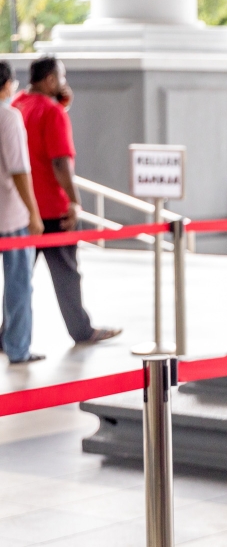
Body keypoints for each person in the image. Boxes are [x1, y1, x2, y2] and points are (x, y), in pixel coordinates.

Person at [13, 55, 120, 345]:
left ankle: (7, 335)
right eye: (61, 77)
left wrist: (61, 106)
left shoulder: (15, 107)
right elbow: (60, 163)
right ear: (50, 80)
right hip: (51, 209)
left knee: (18, 279)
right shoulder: (52, 112)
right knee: (67, 276)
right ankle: (82, 331)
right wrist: (74, 202)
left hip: (21, 210)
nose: (64, 82)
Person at [0, 62, 45, 363]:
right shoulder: (9, 117)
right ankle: (17, 347)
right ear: (7, 84)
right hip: (10, 215)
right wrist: (34, 212)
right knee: (18, 285)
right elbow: (19, 169)